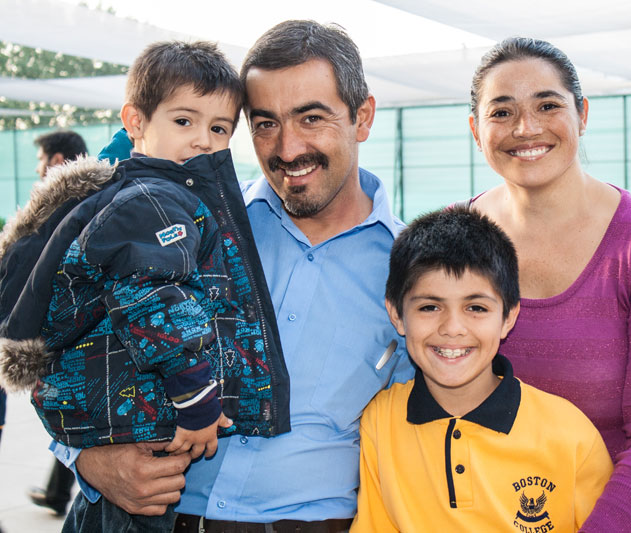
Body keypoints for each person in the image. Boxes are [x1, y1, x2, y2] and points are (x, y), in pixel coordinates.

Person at [49, 20, 414, 532]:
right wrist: (85, 459)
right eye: (265, 123)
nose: (287, 149)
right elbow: (64, 337)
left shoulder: (411, 271)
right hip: (139, 516)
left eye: (311, 118)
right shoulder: (181, 224)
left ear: (363, 116)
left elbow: (419, 432)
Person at [0, 40, 290, 531]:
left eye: (218, 128)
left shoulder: (158, 194)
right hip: (135, 433)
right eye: (184, 121)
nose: (202, 140)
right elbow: (156, 303)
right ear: (135, 122)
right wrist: (197, 400)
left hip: (125, 425)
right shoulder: (152, 201)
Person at [463, 37, 631, 532]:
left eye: (547, 105)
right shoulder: (457, 237)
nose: (525, 128)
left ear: (582, 114)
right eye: (502, 112)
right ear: (475, 129)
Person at [351, 207, 614, 532]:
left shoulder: (572, 436)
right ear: (396, 315)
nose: (453, 328)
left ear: (508, 317)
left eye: (476, 307)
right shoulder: (380, 421)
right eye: (429, 307)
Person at [24, 129, 90, 516]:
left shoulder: (68, 207)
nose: (37, 168)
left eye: (41, 158)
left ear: (58, 160)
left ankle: (60, 493)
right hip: (69, 336)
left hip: (68, 336)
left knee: (73, 414)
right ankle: (58, 492)